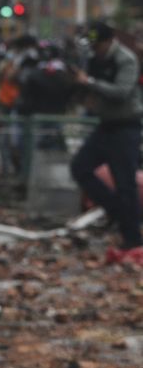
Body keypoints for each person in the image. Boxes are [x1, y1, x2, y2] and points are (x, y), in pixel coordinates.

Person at [70, 21, 143, 265]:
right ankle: (115, 210)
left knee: (126, 184)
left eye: (97, 45)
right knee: (80, 167)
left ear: (109, 41)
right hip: (105, 126)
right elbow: (88, 91)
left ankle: (132, 237)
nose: (95, 50)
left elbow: (121, 91)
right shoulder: (93, 60)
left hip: (126, 127)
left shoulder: (125, 59)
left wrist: (89, 82)